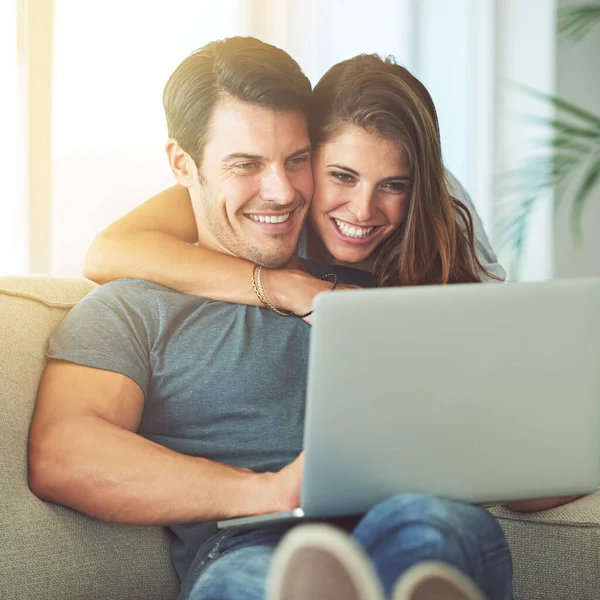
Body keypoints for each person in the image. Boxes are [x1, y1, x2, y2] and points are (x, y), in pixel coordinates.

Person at [28, 37, 515, 600]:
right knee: (256, 582)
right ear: (183, 165)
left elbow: (510, 447)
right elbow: (64, 453)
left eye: (298, 160)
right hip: (250, 546)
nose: (282, 191)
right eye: (246, 164)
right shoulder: (133, 307)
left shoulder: (389, 289)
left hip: (402, 524)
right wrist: (268, 491)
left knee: (443, 529)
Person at [82, 53, 506, 319]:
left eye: (394, 185)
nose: (362, 210)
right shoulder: (271, 187)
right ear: (309, 152)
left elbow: (497, 335)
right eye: (342, 176)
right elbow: (109, 250)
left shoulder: (438, 205)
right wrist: (285, 286)